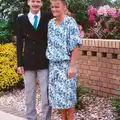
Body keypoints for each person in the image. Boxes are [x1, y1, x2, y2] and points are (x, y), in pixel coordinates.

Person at [16, 0, 53, 120]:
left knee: (46, 95)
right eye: (33, 1)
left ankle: (46, 118)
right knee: (29, 94)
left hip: (44, 61)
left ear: (42, 3)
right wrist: (19, 63)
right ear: (28, 3)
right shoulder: (21, 19)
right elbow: (19, 43)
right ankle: (31, 118)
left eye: (38, 1)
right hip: (28, 61)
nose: (35, 3)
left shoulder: (48, 16)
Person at [46, 0, 82, 120]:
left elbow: (76, 45)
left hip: (66, 65)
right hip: (53, 66)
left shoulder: (70, 22)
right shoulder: (50, 23)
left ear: (64, 7)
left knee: (69, 97)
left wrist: (72, 66)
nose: (54, 9)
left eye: (57, 6)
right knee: (59, 98)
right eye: (52, 6)